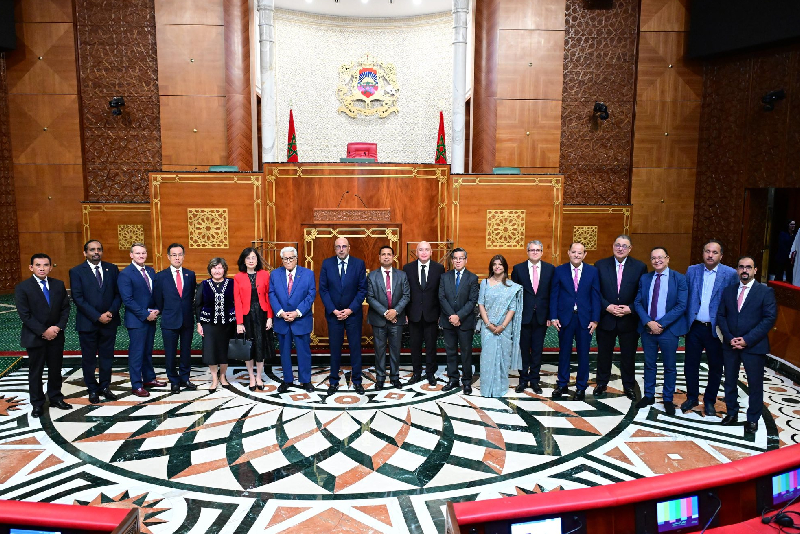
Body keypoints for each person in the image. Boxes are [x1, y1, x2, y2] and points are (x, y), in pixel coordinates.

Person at [718, 256, 777, 433]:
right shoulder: (728, 291)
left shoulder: (765, 292)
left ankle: (752, 419)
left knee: (755, 384)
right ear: (737, 270)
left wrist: (747, 340)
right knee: (729, 381)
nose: (745, 270)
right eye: (741, 267)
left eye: (748, 267)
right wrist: (729, 338)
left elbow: (769, 319)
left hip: (754, 346)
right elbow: (721, 315)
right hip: (730, 345)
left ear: (755, 270)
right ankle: (731, 412)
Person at [682, 240, 738, 414]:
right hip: (694, 327)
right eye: (707, 251)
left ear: (721, 256)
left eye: (715, 252)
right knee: (690, 364)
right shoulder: (692, 271)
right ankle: (691, 397)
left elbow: (734, 303)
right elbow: (686, 297)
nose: (710, 255)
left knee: (715, 366)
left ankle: (709, 401)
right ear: (703, 253)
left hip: (716, 329)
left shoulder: (730, 274)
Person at [15, 253, 72, 418]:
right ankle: (37, 403)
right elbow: (25, 315)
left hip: (56, 336)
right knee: (36, 372)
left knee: (55, 369)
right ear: (31, 267)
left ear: (50, 267)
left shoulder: (58, 285)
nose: (42, 268)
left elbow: (65, 309)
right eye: (38, 265)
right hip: (35, 337)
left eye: (45, 265)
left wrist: (57, 328)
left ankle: (55, 398)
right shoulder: (23, 287)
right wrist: (43, 331)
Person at [633, 247, 688, 415]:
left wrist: (661, 324)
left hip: (669, 331)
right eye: (653, 258)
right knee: (649, 364)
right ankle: (649, 395)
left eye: (660, 257)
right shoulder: (645, 278)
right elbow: (637, 303)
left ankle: (667, 398)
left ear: (668, 258)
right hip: (648, 330)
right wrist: (649, 322)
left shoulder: (679, 279)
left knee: (669, 366)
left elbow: (681, 305)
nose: (657, 261)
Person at [593, 235, 647, 400]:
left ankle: (628, 385)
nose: (620, 248)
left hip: (628, 319)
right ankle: (602, 383)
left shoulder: (640, 267)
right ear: (613, 246)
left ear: (630, 249)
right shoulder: (600, 265)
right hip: (606, 317)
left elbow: (642, 293)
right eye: (618, 245)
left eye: (625, 246)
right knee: (603, 353)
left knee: (628, 355)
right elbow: (596, 291)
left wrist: (630, 308)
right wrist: (607, 306)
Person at [69, 240, 121, 404]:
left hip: (109, 321)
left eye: (99, 249)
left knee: (107, 357)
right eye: (92, 250)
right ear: (85, 253)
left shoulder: (112, 269)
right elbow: (77, 298)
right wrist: (97, 316)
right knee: (89, 359)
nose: (96, 252)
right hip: (88, 323)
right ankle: (92, 389)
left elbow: (118, 294)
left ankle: (105, 387)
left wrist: (110, 312)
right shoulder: (76, 271)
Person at [550, 242, 601, 401]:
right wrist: (553, 316)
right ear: (568, 253)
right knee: (564, 352)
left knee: (583, 354)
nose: (576, 255)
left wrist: (595, 319)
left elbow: (596, 296)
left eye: (580, 253)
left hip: (585, 319)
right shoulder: (559, 270)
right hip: (565, 318)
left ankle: (581, 386)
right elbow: (554, 295)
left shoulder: (592, 271)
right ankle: (562, 384)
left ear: (585, 255)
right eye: (574, 252)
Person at [319, 238, 368, 395]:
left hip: (353, 315)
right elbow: (323, 290)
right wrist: (333, 310)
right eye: (338, 247)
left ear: (349, 248)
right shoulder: (327, 264)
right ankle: (333, 381)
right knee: (334, 350)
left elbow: (362, 290)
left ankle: (357, 381)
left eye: (344, 246)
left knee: (355, 349)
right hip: (334, 315)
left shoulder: (359, 264)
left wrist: (350, 310)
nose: (341, 249)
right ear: (334, 249)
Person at [118, 242, 163, 397]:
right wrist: (145, 314)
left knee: (147, 351)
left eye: (143, 253)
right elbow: (127, 300)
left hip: (151, 318)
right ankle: (136, 385)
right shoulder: (125, 274)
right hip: (137, 320)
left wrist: (157, 309)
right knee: (137, 353)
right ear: (131, 255)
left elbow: (155, 293)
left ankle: (149, 379)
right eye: (137, 253)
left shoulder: (150, 271)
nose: (141, 256)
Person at [269, 246, 316, 393]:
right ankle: (287, 380)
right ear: (282, 260)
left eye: (291, 258)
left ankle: (305, 380)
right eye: (285, 259)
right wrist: (281, 312)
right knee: (284, 352)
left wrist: (297, 312)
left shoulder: (308, 274)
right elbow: (271, 294)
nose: (288, 261)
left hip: (301, 319)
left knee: (303, 351)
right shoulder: (275, 274)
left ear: (296, 259)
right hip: (282, 320)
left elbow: (311, 295)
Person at [510, 240, 554, 394]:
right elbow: (513, 296)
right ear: (527, 252)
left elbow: (552, 294)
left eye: (537, 250)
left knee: (537, 350)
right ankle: (523, 381)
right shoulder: (518, 269)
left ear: (542, 252)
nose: (535, 252)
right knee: (523, 350)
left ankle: (534, 380)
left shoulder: (550, 269)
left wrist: (551, 315)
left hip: (542, 317)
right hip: (523, 316)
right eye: (532, 250)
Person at [153, 243, 197, 394]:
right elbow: (158, 299)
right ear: (168, 257)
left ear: (184, 256)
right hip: (169, 320)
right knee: (170, 353)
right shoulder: (160, 276)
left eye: (180, 255)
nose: (177, 258)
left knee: (186, 351)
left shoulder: (190, 275)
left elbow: (191, 297)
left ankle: (185, 378)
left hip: (187, 320)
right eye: (174, 255)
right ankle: (173, 380)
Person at [477, 255, 523, 397]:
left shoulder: (511, 286)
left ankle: (500, 388)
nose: (497, 266)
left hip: (504, 328)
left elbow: (512, 308)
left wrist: (502, 326)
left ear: (505, 267)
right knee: (487, 358)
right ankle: (486, 389)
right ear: (491, 267)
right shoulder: (484, 283)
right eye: (494, 264)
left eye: (500, 264)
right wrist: (488, 324)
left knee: (503, 358)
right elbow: (481, 304)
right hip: (487, 328)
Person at [367, 245, 410, 390]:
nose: (386, 257)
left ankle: (395, 377)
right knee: (379, 350)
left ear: (393, 257)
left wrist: (395, 312)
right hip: (379, 320)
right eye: (383, 254)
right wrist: (386, 313)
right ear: (379, 257)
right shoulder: (372, 276)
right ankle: (380, 378)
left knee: (395, 350)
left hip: (397, 320)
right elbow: (370, 298)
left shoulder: (402, 275)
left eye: (389, 254)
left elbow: (406, 296)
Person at [403, 241, 445, 385]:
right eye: (421, 250)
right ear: (417, 252)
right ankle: (416, 372)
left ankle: (430, 373)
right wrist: (406, 313)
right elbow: (405, 292)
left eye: (427, 249)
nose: (424, 252)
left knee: (431, 346)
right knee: (414, 346)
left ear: (431, 252)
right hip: (413, 314)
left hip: (432, 314)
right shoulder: (407, 268)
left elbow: (441, 293)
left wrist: (440, 314)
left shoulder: (439, 268)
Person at [439, 247, 479, 394]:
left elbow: (472, 300)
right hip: (448, 321)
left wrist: (459, 316)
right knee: (450, 352)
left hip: (465, 322)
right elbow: (441, 298)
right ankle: (453, 379)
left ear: (465, 260)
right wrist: (452, 316)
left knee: (466, 352)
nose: (457, 261)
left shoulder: (472, 278)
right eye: (455, 258)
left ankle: (467, 381)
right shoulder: (444, 277)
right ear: (452, 260)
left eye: (460, 258)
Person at [233, 247, 275, 391]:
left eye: (254, 258)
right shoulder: (238, 277)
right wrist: (239, 322)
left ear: (257, 260)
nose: (251, 261)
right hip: (246, 316)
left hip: (262, 315)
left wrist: (270, 317)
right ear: (244, 260)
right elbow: (237, 301)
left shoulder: (265, 274)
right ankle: (251, 376)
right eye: (248, 258)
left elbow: (269, 297)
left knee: (260, 345)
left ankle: (259, 376)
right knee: (248, 347)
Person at [196, 257, 236, 392]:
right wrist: (199, 323)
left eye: (220, 267)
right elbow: (197, 305)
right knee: (211, 351)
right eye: (214, 267)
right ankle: (214, 379)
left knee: (224, 351)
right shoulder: (204, 284)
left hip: (228, 324)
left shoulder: (232, 283)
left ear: (224, 269)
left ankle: (223, 377)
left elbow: (238, 302)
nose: (217, 270)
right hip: (208, 324)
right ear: (210, 270)